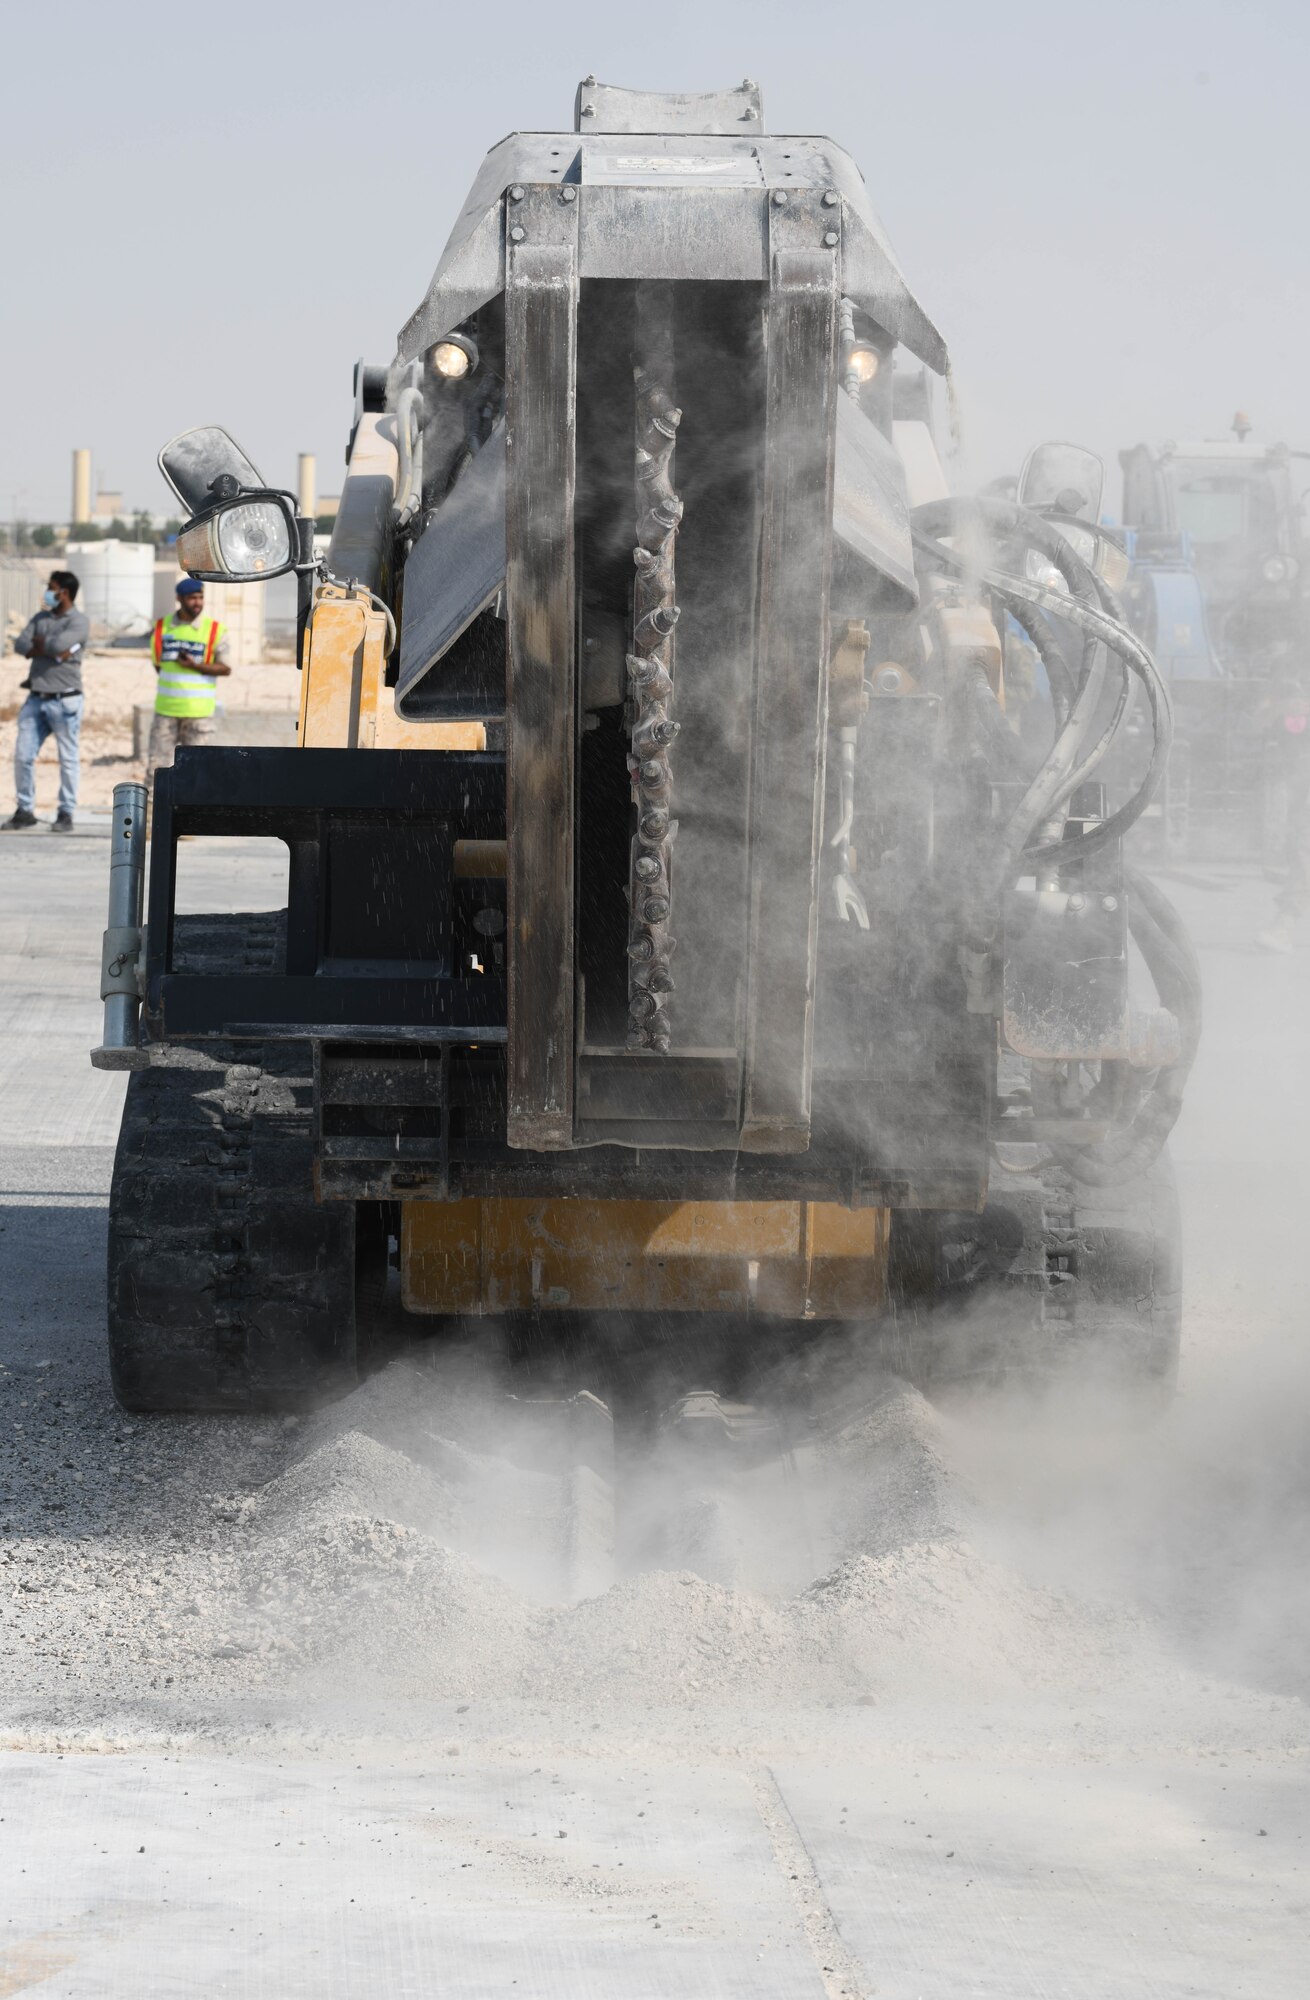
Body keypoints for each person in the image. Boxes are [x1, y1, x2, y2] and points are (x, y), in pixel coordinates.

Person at [5, 569, 90, 832]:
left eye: (51, 587)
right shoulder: (40, 618)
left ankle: (65, 812)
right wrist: (49, 647)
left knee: (67, 758)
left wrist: (44, 646)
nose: (47, 592)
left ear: (63, 592)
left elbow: (58, 645)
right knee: (23, 756)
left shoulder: (78, 621)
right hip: (36, 698)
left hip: (65, 701)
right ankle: (25, 810)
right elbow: (20, 643)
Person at [146, 578, 231, 788]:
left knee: (199, 774)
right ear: (179, 599)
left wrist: (194, 666)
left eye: (200, 597)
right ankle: (151, 818)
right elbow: (158, 665)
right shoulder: (161, 628)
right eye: (192, 598)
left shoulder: (214, 630)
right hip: (166, 713)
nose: (197, 602)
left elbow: (225, 668)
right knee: (157, 771)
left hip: (199, 716)